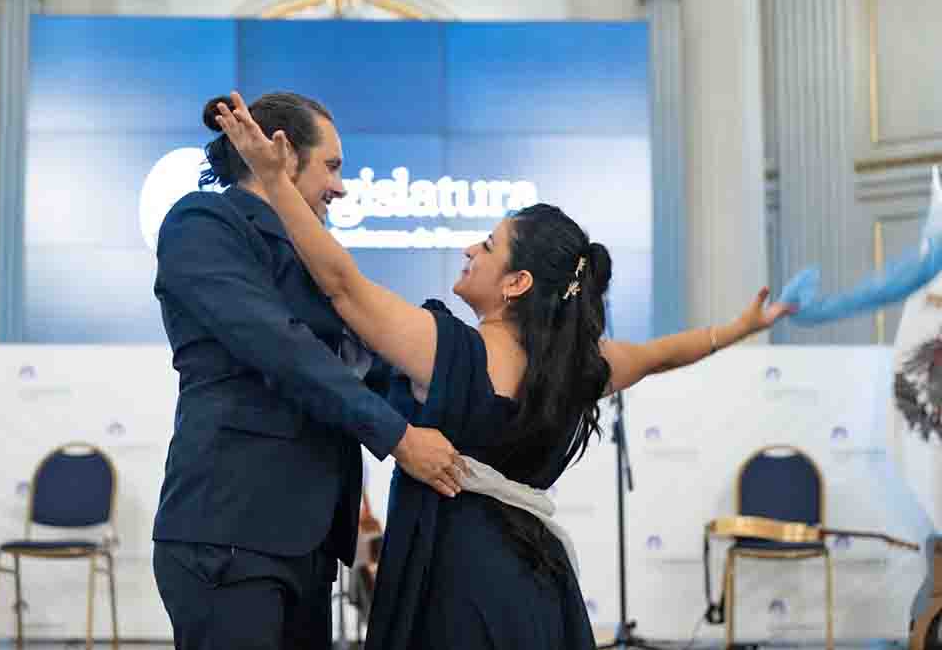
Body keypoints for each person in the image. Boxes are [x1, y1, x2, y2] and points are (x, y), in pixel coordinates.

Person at [214, 91, 793, 649]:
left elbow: (341, 285)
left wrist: (275, 180)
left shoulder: (445, 350)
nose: (471, 249)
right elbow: (663, 354)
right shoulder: (580, 368)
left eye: (488, 246)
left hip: (453, 590)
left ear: (517, 283)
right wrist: (737, 329)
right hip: (537, 589)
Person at [151, 92, 467, 650]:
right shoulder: (203, 222)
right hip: (231, 530)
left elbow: (367, 365)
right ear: (282, 152)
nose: (340, 187)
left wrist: (467, 380)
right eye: (332, 166)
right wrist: (399, 439)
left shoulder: (313, 250)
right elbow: (281, 348)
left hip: (307, 539)